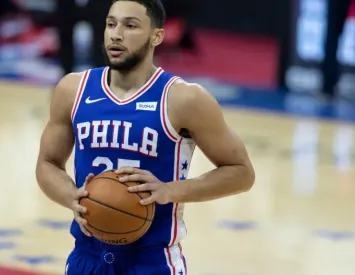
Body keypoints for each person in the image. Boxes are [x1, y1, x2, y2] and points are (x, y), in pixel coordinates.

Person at [35, 0, 255, 274]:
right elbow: (47, 163)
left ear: (157, 36)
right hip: (86, 258)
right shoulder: (73, 89)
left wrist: (169, 190)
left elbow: (242, 173)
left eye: (130, 25)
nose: (116, 34)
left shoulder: (185, 99)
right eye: (111, 24)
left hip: (152, 262)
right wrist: (72, 197)